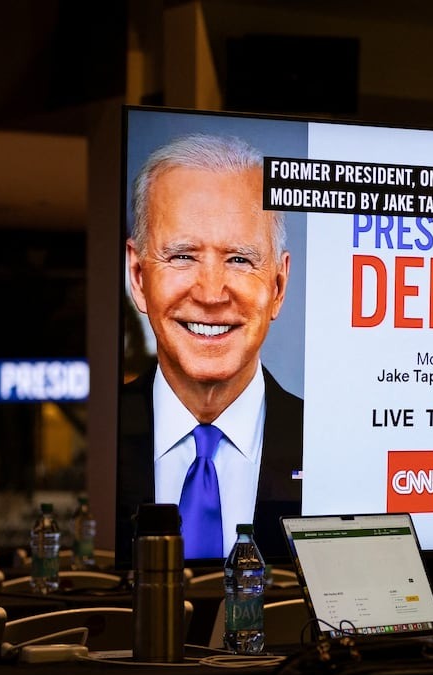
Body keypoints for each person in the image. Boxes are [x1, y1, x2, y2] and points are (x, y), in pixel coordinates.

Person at [117, 132, 302, 562]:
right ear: (139, 277)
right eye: (183, 256)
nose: (211, 293)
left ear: (277, 286)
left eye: (239, 259)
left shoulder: (328, 446)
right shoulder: (98, 447)